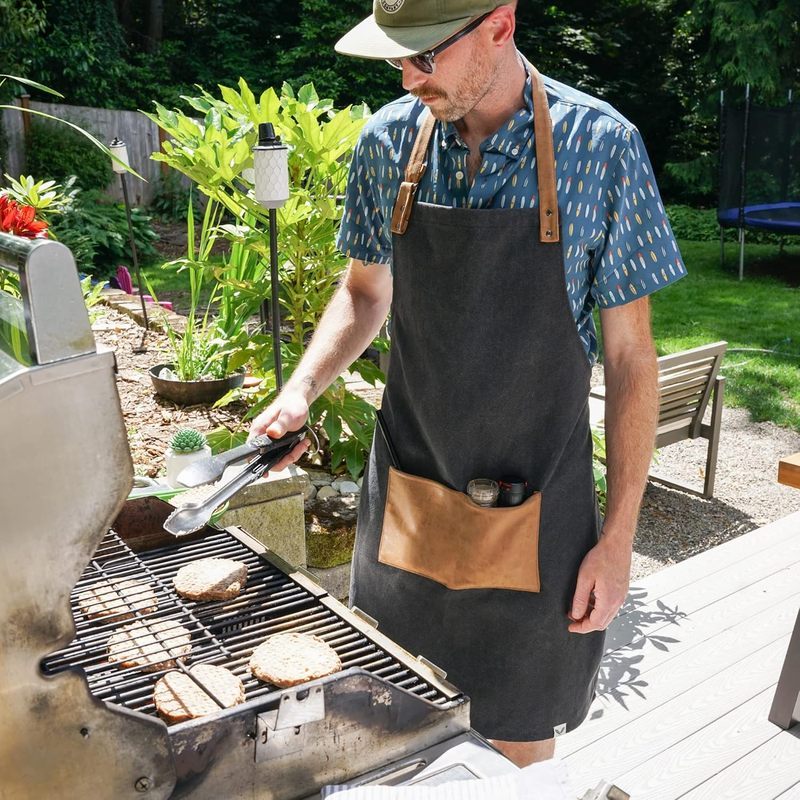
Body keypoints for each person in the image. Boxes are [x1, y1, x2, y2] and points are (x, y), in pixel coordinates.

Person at [251, 0, 686, 767]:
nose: (407, 76)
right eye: (398, 57)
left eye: (425, 56)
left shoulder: (601, 147)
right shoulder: (388, 142)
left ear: (499, 24)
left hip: (538, 514)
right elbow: (364, 291)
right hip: (411, 502)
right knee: (387, 729)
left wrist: (618, 543)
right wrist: (302, 389)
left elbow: (629, 359)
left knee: (515, 752)